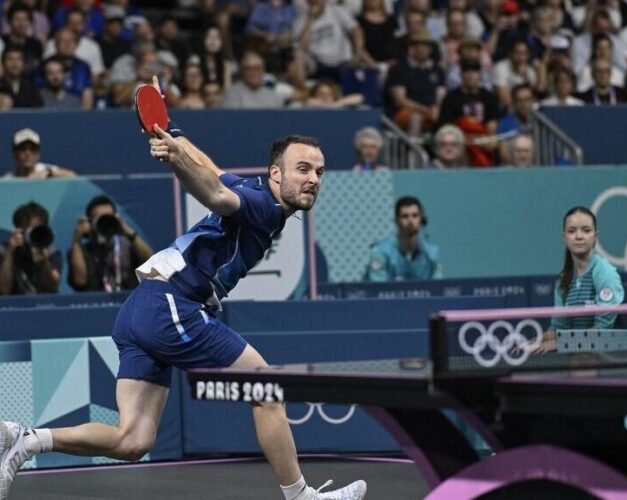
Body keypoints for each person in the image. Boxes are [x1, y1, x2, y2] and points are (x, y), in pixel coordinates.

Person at [0, 77, 367, 500]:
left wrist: (171, 133)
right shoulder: (264, 207)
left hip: (140, 310)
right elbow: (212, 193)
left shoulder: (254, 188)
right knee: (268, 388)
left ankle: (27, 440)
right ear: (275, 173)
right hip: (173, 304)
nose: (314, 179)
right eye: (303, 169)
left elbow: (209, 169)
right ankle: (301, 496)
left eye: (320, 171)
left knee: (132, 440)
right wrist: (175, 160)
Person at [536, 206, 624, 353]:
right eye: (572, 231)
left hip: (606, 357)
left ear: (596, 235)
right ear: (564, 236)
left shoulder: (604, 273)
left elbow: (602, 329)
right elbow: (558, 328)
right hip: (574, 357)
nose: (579, 236)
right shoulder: (563, 279)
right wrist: (533, 344)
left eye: (586, 230)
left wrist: (560, 343)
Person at [68, 195, 154, 292]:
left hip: (128, 302)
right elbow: (80, 281)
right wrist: (76, 239)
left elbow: (151, 264)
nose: (104, 221)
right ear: (90, 222)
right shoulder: (81, 251)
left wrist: (128, 232)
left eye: (108, 217)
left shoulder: (128, 246)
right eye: (99, 218)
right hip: (92, 303)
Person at [364, 196, 441, 281]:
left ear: (421, 220)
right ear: (396, 222)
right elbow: (376, 290)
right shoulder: (381, 252)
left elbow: (438, 288)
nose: (410, 221)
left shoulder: (431, 254)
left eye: (415, 215)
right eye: (405, 216)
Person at [0, 201, 61, 295]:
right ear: (19, 229)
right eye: (28, 228)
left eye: (37, 228)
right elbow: (3, 289)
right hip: (12, 306)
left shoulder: (51, 252)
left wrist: (44, 262)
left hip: (44, 306)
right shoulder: (3, 251)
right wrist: (10, 253)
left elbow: (52, 287)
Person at [4, 128, 76, 178]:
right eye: (23, 149)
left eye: (33, 149)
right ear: (14, 153)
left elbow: (73, 176)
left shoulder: (46, 170)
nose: (28, 153)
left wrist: (49, 173)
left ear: (38, 154)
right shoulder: (7, 181)